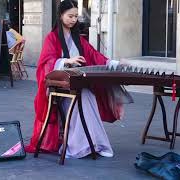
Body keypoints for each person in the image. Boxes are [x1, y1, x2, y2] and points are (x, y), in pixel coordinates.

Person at [25, 0, 126, 158]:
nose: (73, 20)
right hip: (60, 86)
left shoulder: (79, 39)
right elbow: (45, 63)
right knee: (82, 99)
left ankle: (95, 143)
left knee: (88, 97)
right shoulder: (51, 38)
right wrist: (66, 61)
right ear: (60, 15)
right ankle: (77, 145)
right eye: (70, 16)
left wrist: (113, 63)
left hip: (77, 84)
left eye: (75, 16)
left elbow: (94, 55)